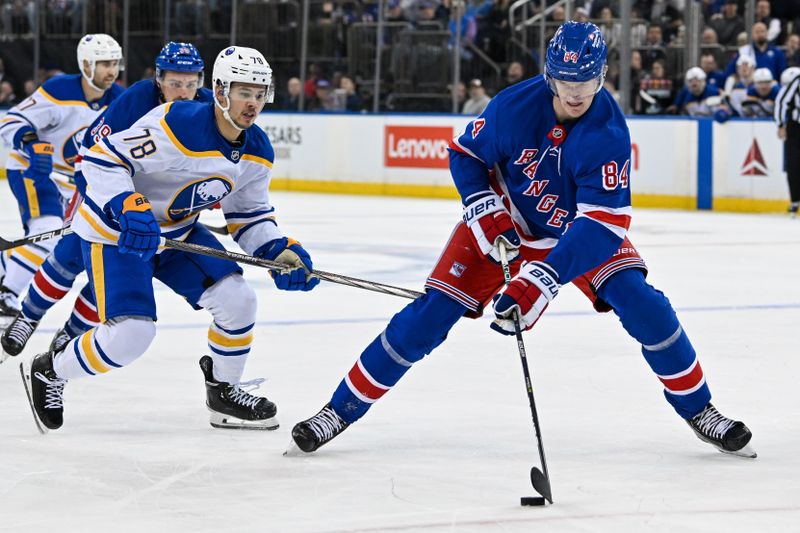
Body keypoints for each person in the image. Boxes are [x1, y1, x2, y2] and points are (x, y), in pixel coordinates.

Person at [289, 22, 756, 460]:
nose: (576, 93)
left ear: (603, 76)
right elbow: (465, 155)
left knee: (645, 304)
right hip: (503, 228)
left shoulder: (608, 134)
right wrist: (482, 206)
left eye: (586, 81)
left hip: (576, 236)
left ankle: (699, 410)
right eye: (566, 81)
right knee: (427, 319)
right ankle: (338, 409)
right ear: (550, 75)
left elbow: (603, 226)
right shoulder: (514, 106)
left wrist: (541, 280)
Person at [18, 46, 320, 434]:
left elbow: (249, 216)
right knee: (131, 335)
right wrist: (128, 204)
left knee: (239, 300)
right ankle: (50, 370)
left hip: (177, 235)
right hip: (116, 235)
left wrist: (279, 249)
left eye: (260, 94)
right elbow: (101, 159)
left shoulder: (257, 151)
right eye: (245, 92)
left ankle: (223, 392)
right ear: (222, 91)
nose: (254, 103)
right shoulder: (177, 122)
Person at [1, 42, 212, 361]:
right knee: (69, 256)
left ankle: (68, 336)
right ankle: (28, 316)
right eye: (174, 82)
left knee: (114, 274)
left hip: (149, 209)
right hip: (108, 190)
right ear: (159, 78)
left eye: (191, 82)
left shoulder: (204, 107)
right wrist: (98, 196)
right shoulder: (135, 99)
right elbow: (92, 152)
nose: (183, 91)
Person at [0, 34, 124, 329]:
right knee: (47, 230)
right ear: (85, 64)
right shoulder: (59, 90)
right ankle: (6, 294)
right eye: (104, 63)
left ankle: (5, 270)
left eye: (115, 63)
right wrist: (30, 142)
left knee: (53, 244)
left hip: (72, 185)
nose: (111, 71)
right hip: (34, 170)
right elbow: (10, 121)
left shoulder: (120, 100)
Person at [775, 68, 800, 216]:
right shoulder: (797, 80)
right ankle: (795, 201)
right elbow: (781, 101)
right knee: (794, 165)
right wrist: (780, 124)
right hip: (796, 128)